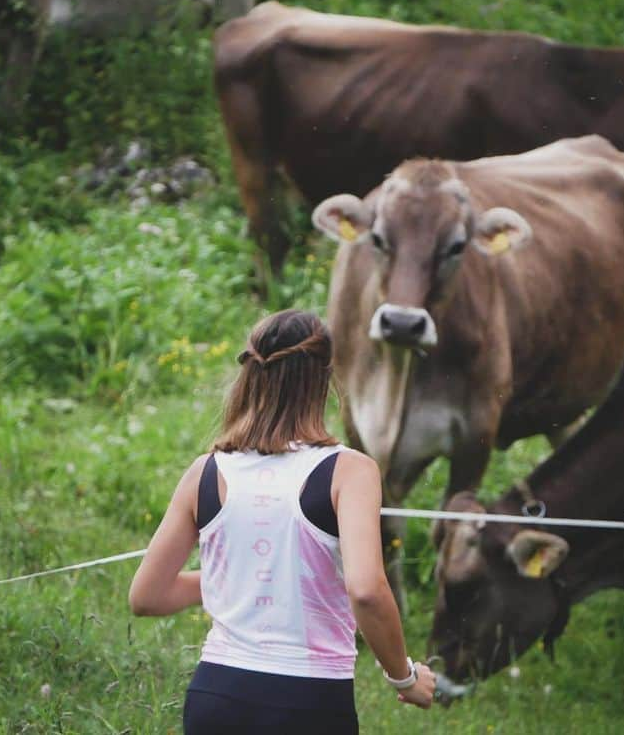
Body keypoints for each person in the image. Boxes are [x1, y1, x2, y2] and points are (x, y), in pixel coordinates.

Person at [129, 308, 436, 734]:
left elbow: (147, 596)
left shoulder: (206, 470)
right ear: (325, 378)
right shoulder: (350, 470)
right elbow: (366, 590)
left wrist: (249, 579)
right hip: (307, 699)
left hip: (216, 694)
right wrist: (403, 676)